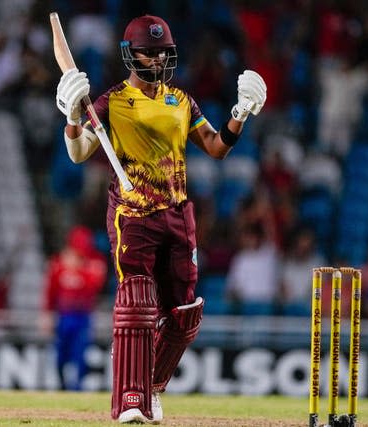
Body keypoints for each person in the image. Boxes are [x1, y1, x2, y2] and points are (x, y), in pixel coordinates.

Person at [55, 15, 266, 423]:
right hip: (132, 215)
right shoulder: (110, 102)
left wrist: (241, 112)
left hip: (178, 214)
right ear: (130, 55)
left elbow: (216, 147)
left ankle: (149, 385)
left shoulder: (181, 101)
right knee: (137, 302)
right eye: (149, 53)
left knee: (184, 313)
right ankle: (129, 401)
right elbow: (79, 153)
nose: (157, 59)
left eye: (163, 52)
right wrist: (71, 118)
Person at [42, 225, 107, 391]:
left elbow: (95, 286)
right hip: (64, 316)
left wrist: (78, 269)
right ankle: (61, 385)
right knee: (60, 356)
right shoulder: (59, 264)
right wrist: (47, 315)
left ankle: (76, 388)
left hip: (83, 316)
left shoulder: (95, 263)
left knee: (80, 354)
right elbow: (50, 291)